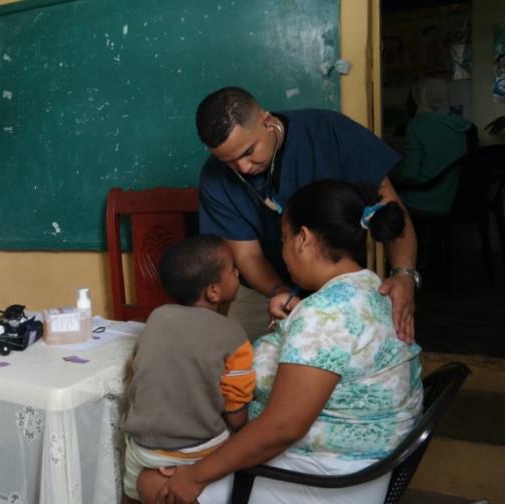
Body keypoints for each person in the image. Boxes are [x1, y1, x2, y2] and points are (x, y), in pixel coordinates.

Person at [145, 179, 423, 504]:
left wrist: (194, 475)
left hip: (323, 478)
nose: (283, 252)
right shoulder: (371, 288)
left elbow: (282, 429)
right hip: (360, 463)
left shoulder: (324, 315)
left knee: (152, 482)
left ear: (303, 238)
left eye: (284, 239)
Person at [195, 87, 419, 343]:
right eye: (229, 162)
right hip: (265, 289)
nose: (243, 168)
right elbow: (248, 255)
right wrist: (280, 292)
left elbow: (389, 209)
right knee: (241, 357)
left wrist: (404, 275)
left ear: (266, 121)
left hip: (339, 282)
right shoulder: (214, 177)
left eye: (248, 152)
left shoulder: (329, 132)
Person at [121, 234, 255, 504]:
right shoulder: (233, 335)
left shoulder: (156, 318)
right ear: (213, 291)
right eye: (232, 269)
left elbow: (139, 366)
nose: (238, 273)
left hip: (143, 446)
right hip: (198, 449)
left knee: (131, 492)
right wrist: (241, 427)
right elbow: (235, 408)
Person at [393, 78, 473, 215]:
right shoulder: (460, 125)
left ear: (420, 98)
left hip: (421, 200)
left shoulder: (417, 126)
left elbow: (409, 173)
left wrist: (392, 175)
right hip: (452, 200)